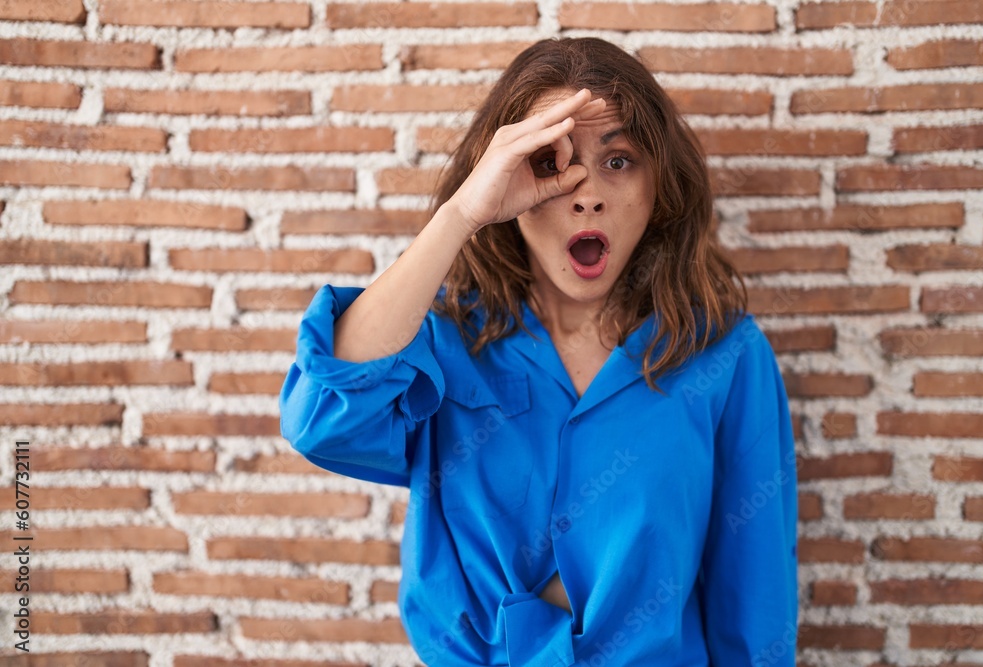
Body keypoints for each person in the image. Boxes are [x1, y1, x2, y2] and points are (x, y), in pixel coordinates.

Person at [279, 37, 798, 666]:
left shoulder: (725, 355)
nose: (587, 195)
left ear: (659, 185)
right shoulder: (442, 341)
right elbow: (321, 421)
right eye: (552, 162)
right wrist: (462, 213)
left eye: (619, 160)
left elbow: (755, 604)